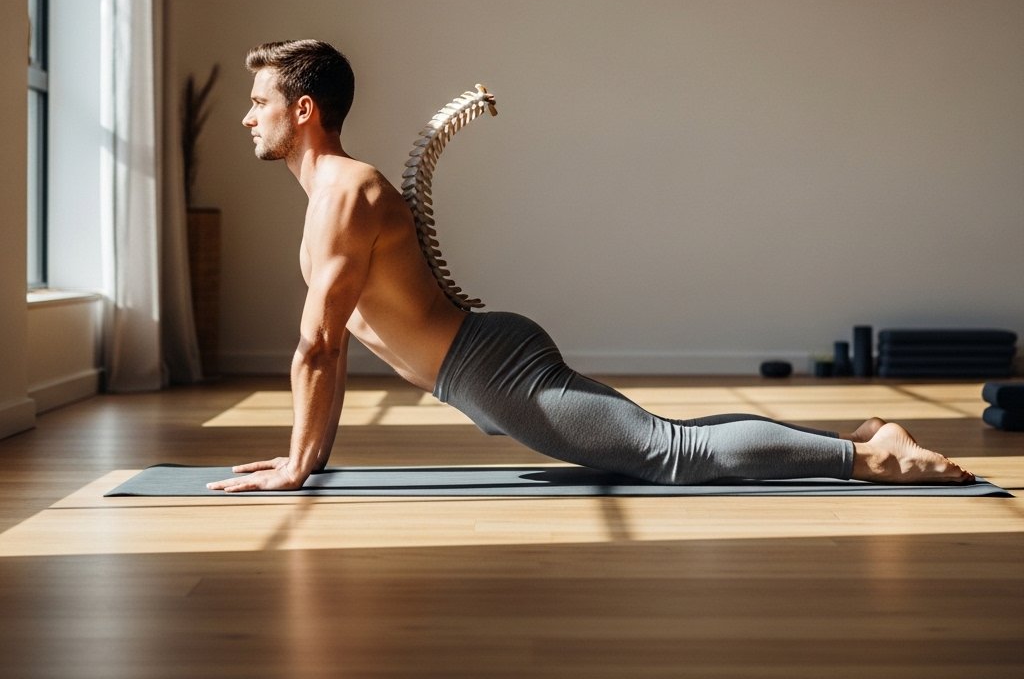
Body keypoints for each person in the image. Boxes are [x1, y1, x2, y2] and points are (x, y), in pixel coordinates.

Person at [208, 39, 974, 492]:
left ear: (304, 109)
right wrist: (306, 457)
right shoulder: (333, 195)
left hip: (490, 369)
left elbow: (320, 345)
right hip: (480, 365)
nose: (247, 115)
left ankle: (875, 456)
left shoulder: (346, 192)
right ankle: (863, 436)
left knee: (673, 456)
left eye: (258, 100)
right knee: (667, 438)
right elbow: (331, 347)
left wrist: (300, 464)